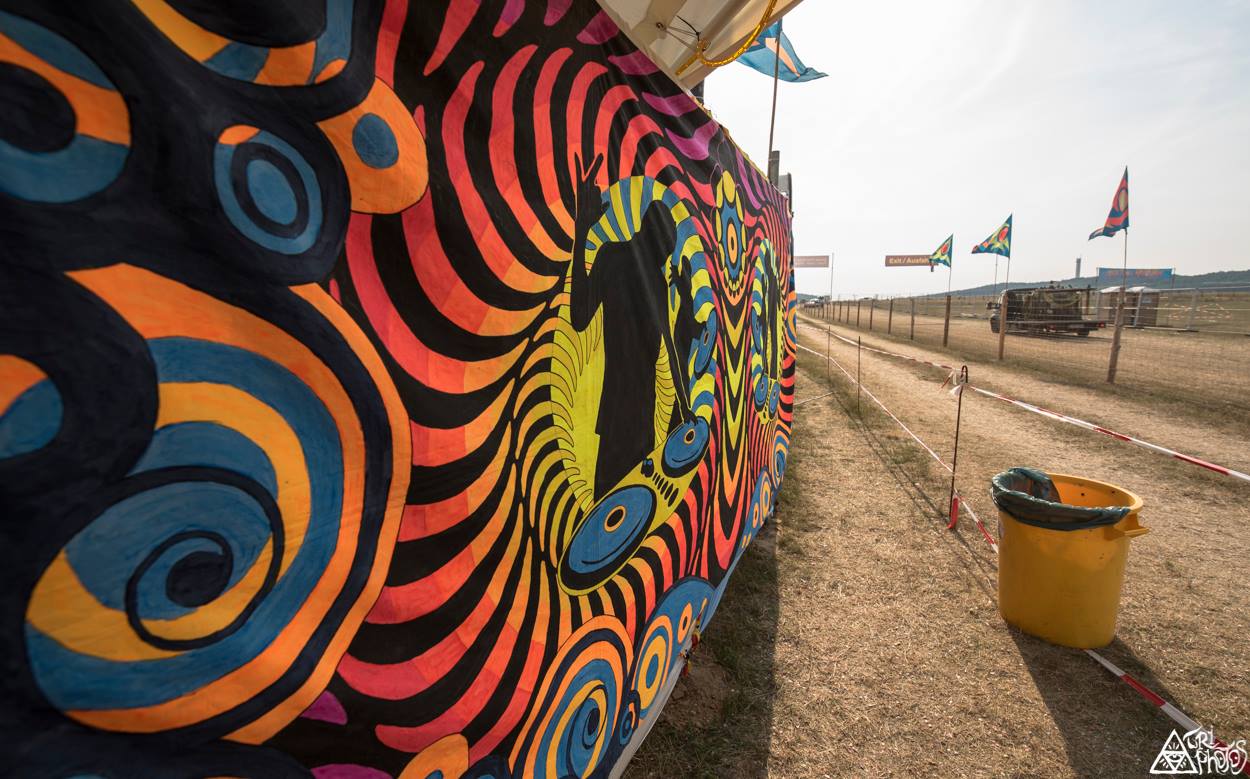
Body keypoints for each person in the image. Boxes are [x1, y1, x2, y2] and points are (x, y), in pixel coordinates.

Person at [569, 154, 691, 498]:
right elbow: (579, 317)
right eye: (666, 249)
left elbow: (669, 343)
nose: (666, 258)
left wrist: (684, 406)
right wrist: (582, 231)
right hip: (625, 416)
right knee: (623, 507)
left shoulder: (647, 274)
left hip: (635, 418)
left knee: (619, 509)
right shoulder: (624, 262)